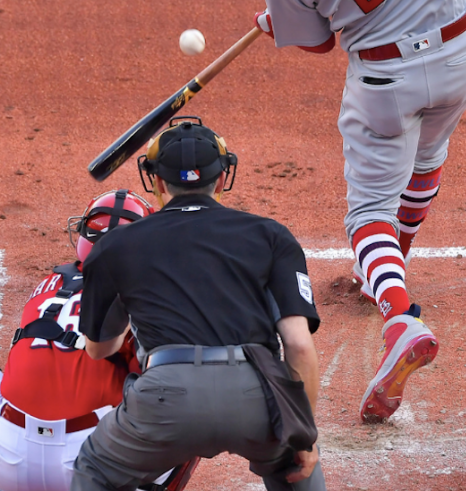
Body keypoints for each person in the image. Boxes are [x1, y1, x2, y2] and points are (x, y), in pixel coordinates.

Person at [231, 0, 466, 423]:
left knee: (367, 211)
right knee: (427, 160)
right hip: (463, 53)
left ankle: (397, 314)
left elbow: (318, 42)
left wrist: (279, 19)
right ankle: (389, 263)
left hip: (386, 81)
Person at [71, 117, 326, 491]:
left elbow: (99, 349)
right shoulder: (271, 235)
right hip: (256, 397)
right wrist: (305, 434)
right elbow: (300, 346)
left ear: (156, 182)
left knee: (95, 467)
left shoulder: (116, 245)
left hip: (165, 397)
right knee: (295, 466)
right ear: (222, 179)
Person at [0, 189, 197, 491]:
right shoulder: (151, 296)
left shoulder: (48, 285)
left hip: (5, 458)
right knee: (193, 387)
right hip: (96, 466)